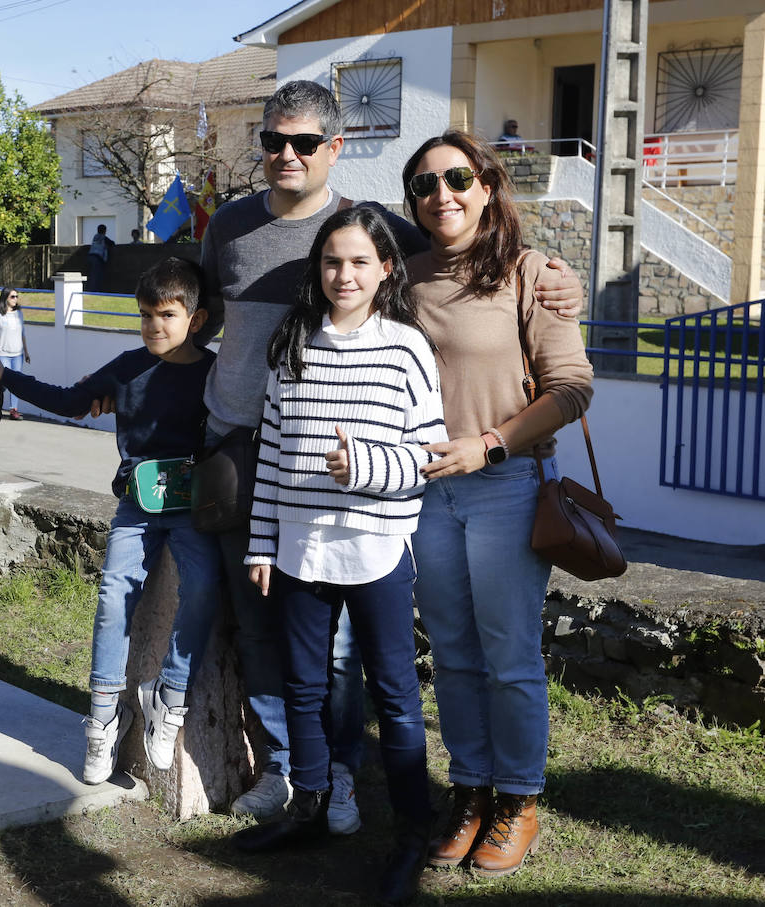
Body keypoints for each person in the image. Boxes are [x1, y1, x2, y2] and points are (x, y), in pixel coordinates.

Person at [188, 79, 585, 828]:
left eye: (305, 142)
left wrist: (562, 283)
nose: (287, 154)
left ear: (334, 149)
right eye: (274, 140)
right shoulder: (253, 229)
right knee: (301, 630)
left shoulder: (454, 256)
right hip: (319, 468)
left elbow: (556, 364)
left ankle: (469, 793)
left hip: (456, 477)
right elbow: (198, 309)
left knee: (433, 654)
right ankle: (333, 774)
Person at [230, 206, 446, 904]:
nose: (343, 274)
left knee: (394, 693)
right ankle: (309, 804)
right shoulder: (293, 343)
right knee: (304, 684)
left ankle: (413, 830)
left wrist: (363, 466)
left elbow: (425, 456)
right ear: (316, 270)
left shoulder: (407, 348)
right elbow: (271, 454)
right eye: (331, 261)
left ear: (386, 268)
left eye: (358, 261)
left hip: (377, 547)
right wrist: (263, 541)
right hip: (298, 546)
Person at [403, 131, 593, 878]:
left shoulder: (531, 275)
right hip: (423, 495)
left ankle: (518, 797)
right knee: (450, 654)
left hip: (504, 487)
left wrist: (490, 445)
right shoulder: (404, 279)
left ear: (487, 185)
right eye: (424, 184)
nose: (441, 193)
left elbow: (571, 387)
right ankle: (471, 789)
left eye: (456, 177)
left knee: (509, 655)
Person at [0, 257, 221, 785]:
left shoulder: (216, 372)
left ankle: (167, 697)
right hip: (136, 504)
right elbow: (68, 401)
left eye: (167, 315)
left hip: (195, 505)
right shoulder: (126, 368)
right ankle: (105, 712)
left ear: (194, 320)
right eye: (146, 315)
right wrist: (3, 375)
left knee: (204, 588)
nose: (154, 326)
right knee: (112, 594)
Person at [0, 288, 29, 420]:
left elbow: (22, 333)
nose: (15, 299)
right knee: (3, 382)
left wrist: (26, 352)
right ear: (5, 297)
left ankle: (14, 410)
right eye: (12, 296)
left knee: (16, 382)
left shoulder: (19, 313)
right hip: (3, 353)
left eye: (16, 296)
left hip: (18, 354)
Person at [87, 224, 113, 291]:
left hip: (91, 256)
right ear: (104, 231)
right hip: (97, 258)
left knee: (93, 275)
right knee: (95, 276)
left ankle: (93, 290)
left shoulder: (95, 236)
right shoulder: (103, 237)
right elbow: (112, 243)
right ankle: (93, 291)